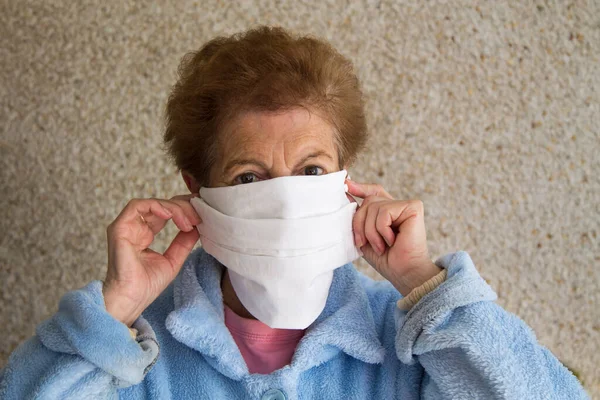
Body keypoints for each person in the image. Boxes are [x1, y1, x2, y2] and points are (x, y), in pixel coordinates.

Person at [0, 25, 588, 400]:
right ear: (195, 190)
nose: (284, 204)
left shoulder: (407, 341)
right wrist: (115, 312)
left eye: (310, 172)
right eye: (249, 177)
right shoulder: (141, 350)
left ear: (346, 182)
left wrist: (425, 286)